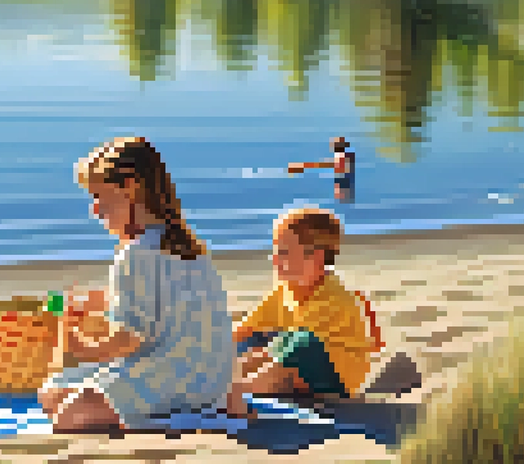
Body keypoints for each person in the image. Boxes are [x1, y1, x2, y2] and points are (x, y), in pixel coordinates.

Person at [38, 136, 234, 433]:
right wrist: (102, 301)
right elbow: (167, 303)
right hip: (211, 383)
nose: (95, 209)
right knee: (53, 392)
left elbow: (129, 340)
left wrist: (79, 345)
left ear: (130, 186)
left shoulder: (135, 253)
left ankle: (147, 418)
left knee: (68, 412)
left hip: (170, 380)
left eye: (99, 197)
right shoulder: (188, 247)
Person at [225, 207, 382, 418]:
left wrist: (254, 359)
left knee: (297, 343)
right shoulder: (284, 292)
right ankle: (221, 383)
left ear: (315, 258)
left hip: (335, 380)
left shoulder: (334, 298)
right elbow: (245, 328)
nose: (274, 259)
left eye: (284, 252)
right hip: (293, 364)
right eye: (275, 251)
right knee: (248, 340)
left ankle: (242, 391)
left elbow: (296, 347)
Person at [288, 137, 357, 201]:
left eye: (335, 145)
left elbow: (336, 166)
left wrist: (304, 166)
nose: (332, 147)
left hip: (344, 187)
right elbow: (334, 165)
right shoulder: (344, 155)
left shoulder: (344, 156)